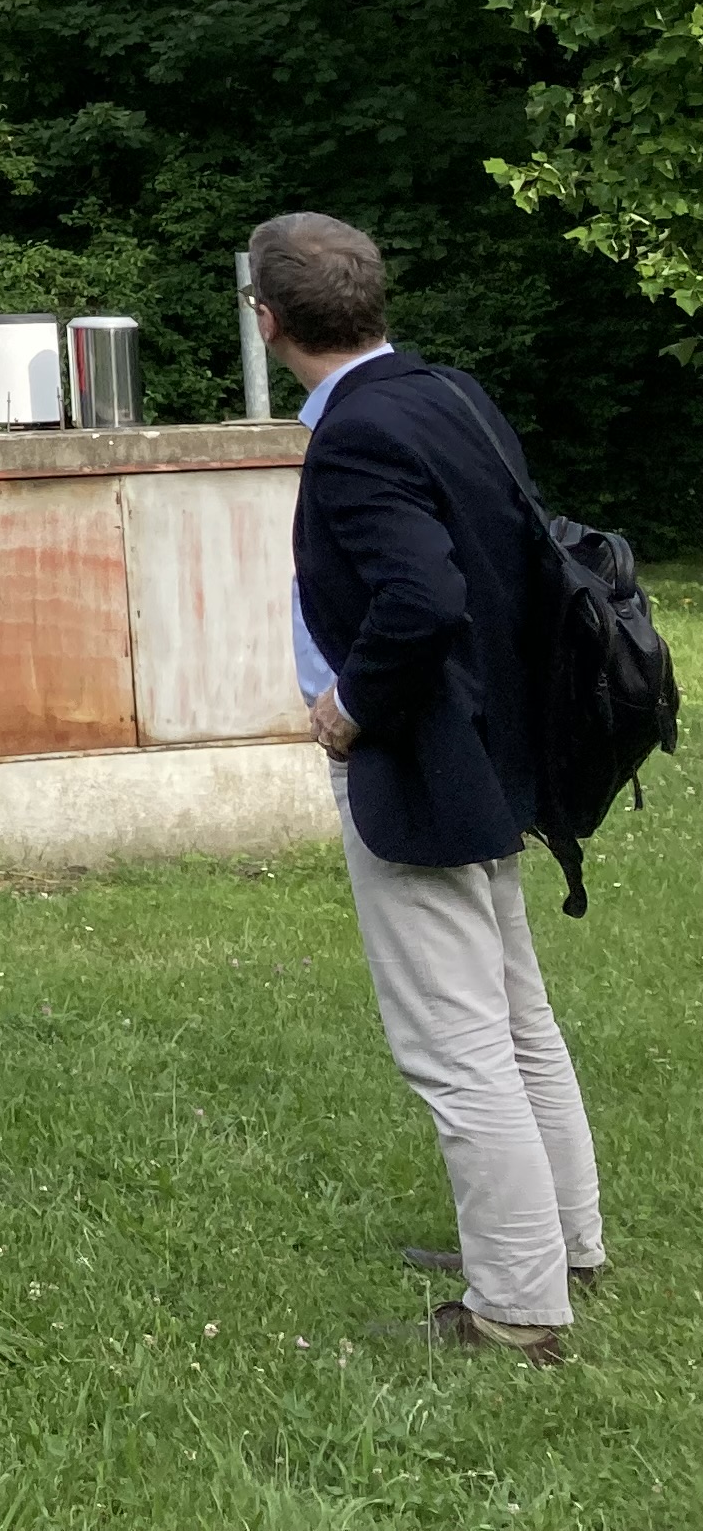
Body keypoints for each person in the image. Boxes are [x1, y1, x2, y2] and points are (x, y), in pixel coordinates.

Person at [257, 210, 607, 1363]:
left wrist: (348, 708)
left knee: (455, 1043)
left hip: (424, 754)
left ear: (269, 321)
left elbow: (423, 599)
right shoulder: (448, 394)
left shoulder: (358, 435)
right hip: (498, 737)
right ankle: (562, 1243)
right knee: (515, 1016)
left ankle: (516, 1305)